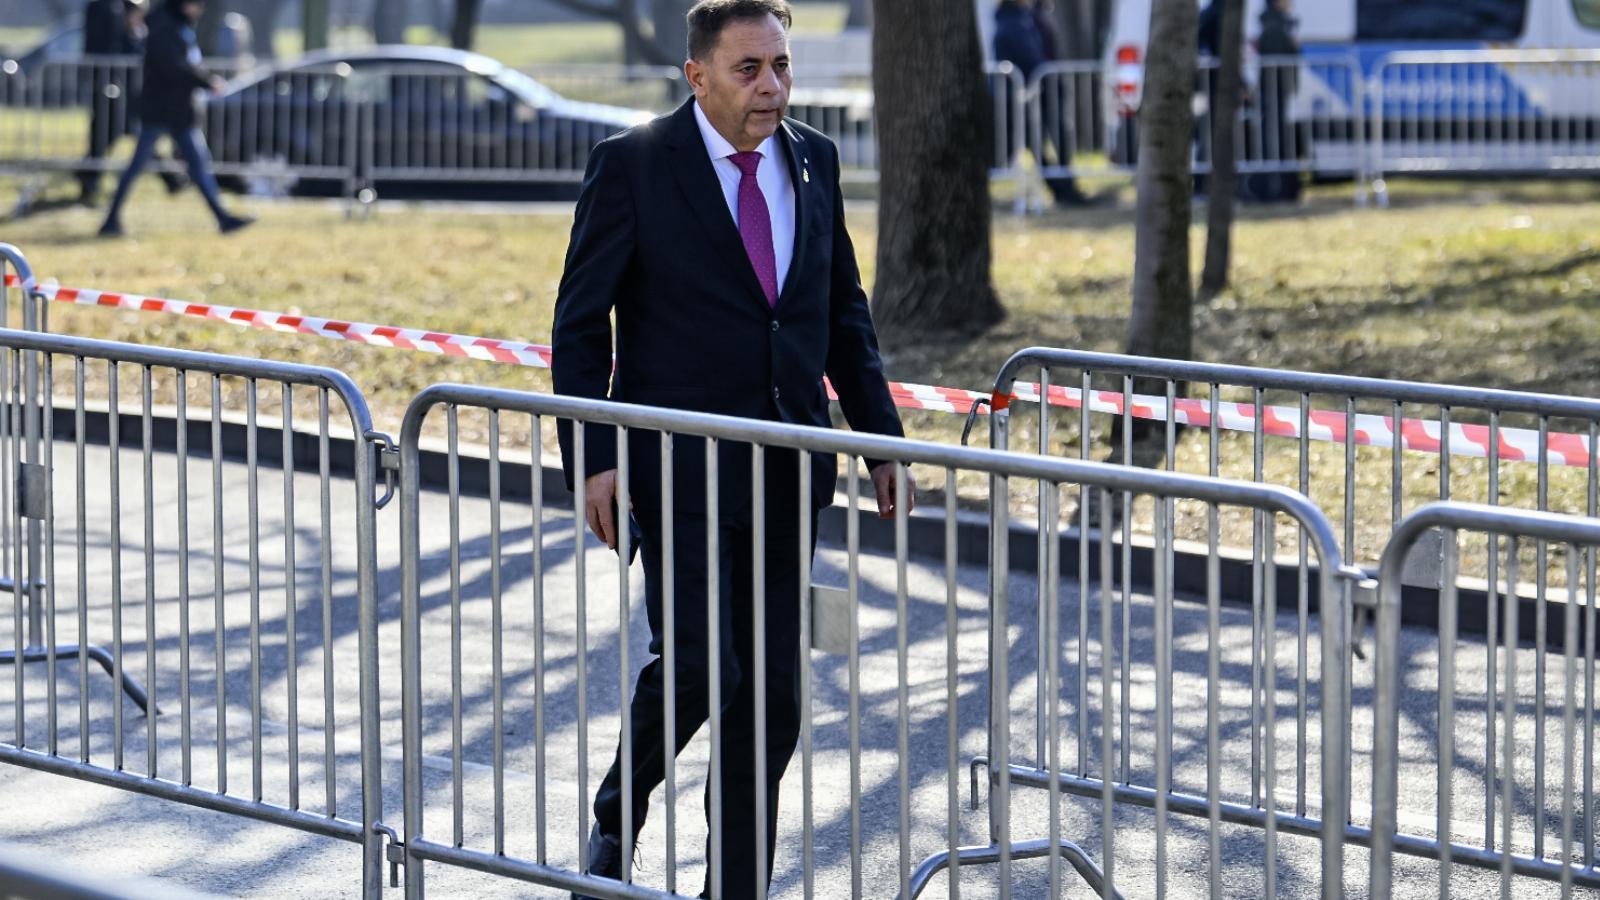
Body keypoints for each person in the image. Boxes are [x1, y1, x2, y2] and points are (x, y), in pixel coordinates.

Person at [550, 1, 910, 897]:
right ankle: (617, 809)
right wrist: (594, 456)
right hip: (679, 469)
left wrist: (880, 443)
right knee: (703, 665)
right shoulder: (633, 164)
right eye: (749, 69)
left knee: (773, 697)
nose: (772, 86)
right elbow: (581, 324)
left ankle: (736, 885)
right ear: (697, 75)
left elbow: (842, 314)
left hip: (787, 467)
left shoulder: (815, 160)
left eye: (781, 65)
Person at [98, 0, 251, 237]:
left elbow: (184, 63)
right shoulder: (165, 26)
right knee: (138, 166)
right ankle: (111, 220)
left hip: (178, 112)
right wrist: (206, 81)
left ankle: (223, 217)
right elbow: (175, 67)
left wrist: (203, 80)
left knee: (198, 165)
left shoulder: (176, 25)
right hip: (161, 111)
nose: (198, 9)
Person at [79, 0, 184, 204]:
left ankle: (87, 178)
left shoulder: (118, 18)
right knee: (116, 138)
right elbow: (109, 49)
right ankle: (169, 178)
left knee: (113, 139)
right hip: (113, 93)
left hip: (121, 93)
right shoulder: (108, 12)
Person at [992, 0, 1091, 206]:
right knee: (1033, 146)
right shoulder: (1014, 23)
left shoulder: (1024, 19)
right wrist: (1046, 76)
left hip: (1033, 94)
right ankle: (1063, 190)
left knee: (1040, 145)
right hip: (1026, 96)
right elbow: (1030, 59)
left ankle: (1064, 189)